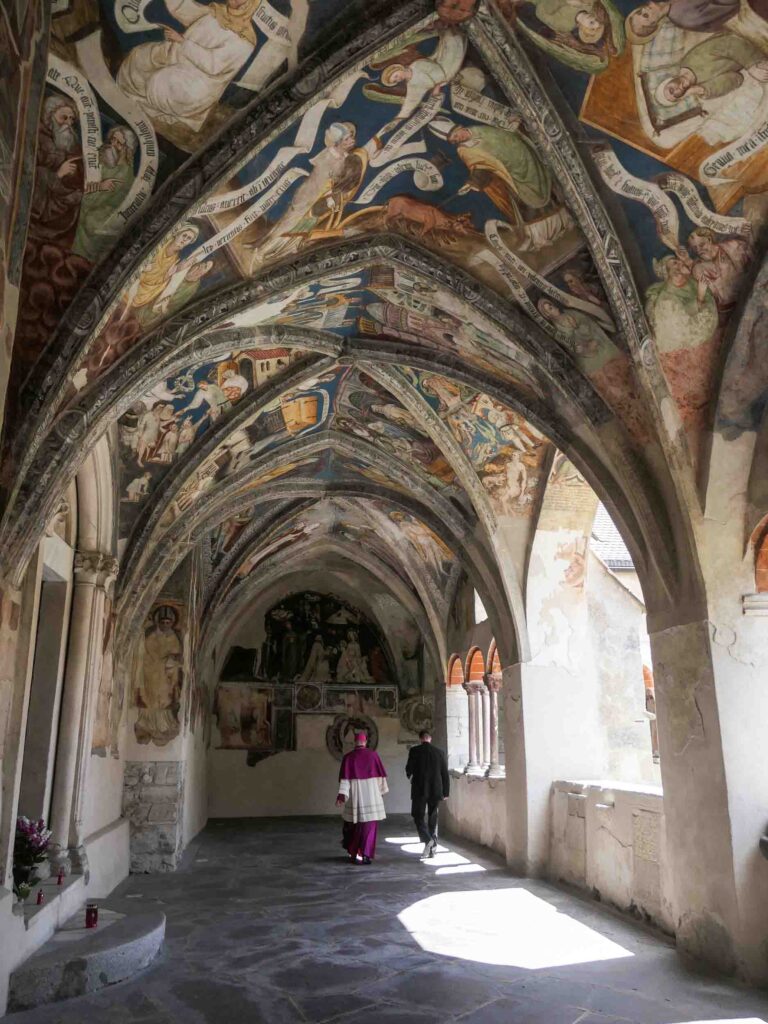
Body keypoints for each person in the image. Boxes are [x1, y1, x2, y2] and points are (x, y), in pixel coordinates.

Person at [336, 731, 389, 865]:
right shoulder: (373, 756)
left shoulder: (348, 758)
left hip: (356, 799)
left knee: (354, 826)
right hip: (372, 798)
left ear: (355, 742)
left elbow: (345, 780)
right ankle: (366, 855)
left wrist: (342, 796)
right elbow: (380, 778)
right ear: (365, 742)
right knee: (369, 828)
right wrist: (381, 793)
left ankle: (353, 853)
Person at [405, 730, 450, 859]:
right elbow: (444, 774)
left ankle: (427, 839)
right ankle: (432, 848)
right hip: (436, 790)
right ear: (430, 738)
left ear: (420, 739)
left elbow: (409, 769)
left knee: (417, 815)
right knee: (433, 817)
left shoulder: (415, 751)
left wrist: (410, 775)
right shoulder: (439, 752)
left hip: (419, 789)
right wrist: (446, 792)